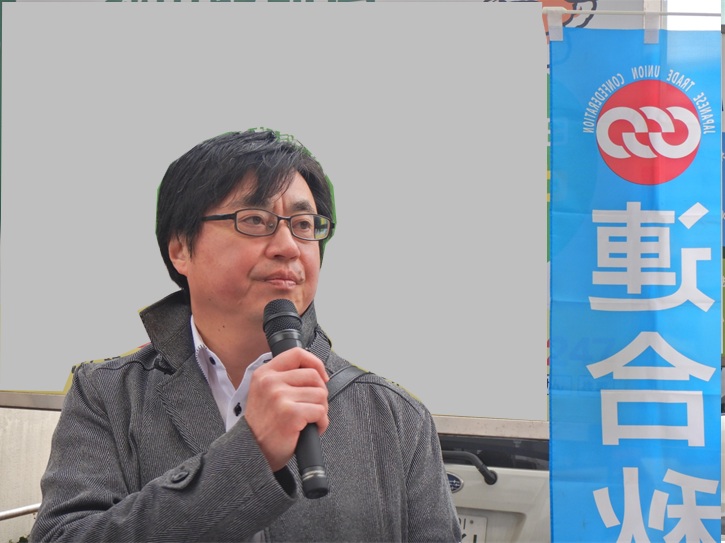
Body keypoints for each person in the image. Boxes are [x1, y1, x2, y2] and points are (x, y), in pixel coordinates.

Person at [30, 128, 462, 542]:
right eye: (254, 219)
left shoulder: (395, 417)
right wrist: (249, 456)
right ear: (180, 249)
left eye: (304, 224)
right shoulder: (108, 395)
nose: (288, 246)